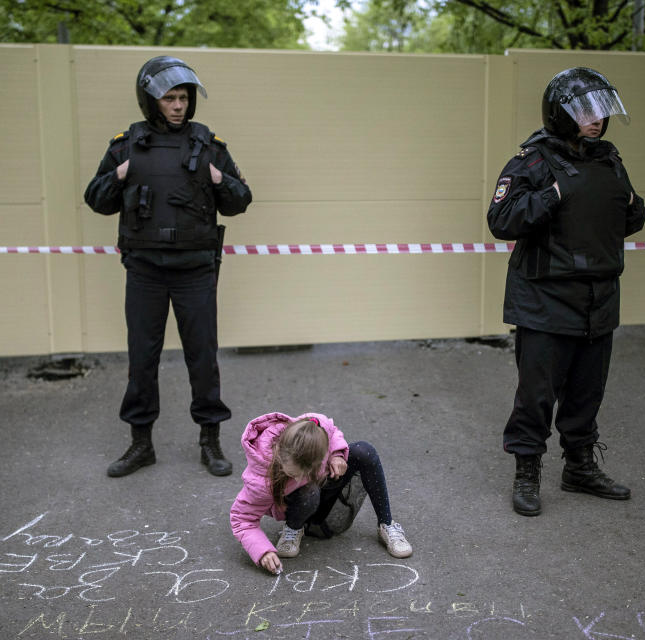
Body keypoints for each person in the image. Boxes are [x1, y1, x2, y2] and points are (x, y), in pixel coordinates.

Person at [486, 67, 645, 516]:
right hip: (544, 299)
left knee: (586, 392)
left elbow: (631, 217)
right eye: (585, 112)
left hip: (598, 298)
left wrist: (632, 206)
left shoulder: (608, 159)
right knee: (537, 395)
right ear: (561, 113)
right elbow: (501, 221)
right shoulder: (532, 161)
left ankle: (579, 467)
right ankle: (526, 472)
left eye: (600, 112)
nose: (595, 120)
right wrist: (553, 194)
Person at [84, 56, 252, 478]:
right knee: (142, 357)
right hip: (144, 271)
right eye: (168, 98)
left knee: (202, 356)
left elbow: (240, 201)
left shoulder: (208, 144)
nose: (177, 105)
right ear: (151, 101)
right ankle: (141, 445)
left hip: (195, 270)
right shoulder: (126, 144)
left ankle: (210, 442)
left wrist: (217, 179)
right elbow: (96, 200)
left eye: (183, 97)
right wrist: (121, 173)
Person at [230, 412, 413, 574]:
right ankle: (294, 528)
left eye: (307, 471)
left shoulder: (314, 428)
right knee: (309, 489)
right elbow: (242, 519)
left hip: (324, 493)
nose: (300, 476)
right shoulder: (262, 480)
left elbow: (331, 431)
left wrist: (337, 454)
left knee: (363, 451)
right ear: (279, 453)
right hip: (300, 506)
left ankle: (387, 525)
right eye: (294, 474)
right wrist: (263, 551)